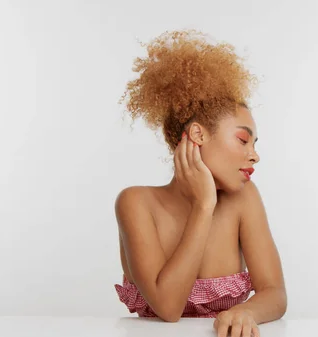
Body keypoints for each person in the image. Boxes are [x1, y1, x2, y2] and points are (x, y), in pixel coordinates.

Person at [114, 29, 287, 337]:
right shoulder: (135, 203)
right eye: (243, 140)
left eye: (255, 144)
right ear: (198, 135)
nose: (255, 155)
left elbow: (274, 293)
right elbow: (168, 308)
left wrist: (245, 312)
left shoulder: (243, 199)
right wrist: (203, 205)